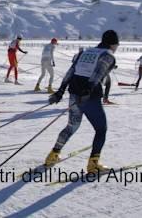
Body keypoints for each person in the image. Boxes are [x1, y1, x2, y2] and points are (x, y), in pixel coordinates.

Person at [45, 30, 119, 173]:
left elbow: (70, 72)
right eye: (116, 45)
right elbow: (98, 74)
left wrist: (60, 91)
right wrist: (88, 90)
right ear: (113, 44)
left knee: (72, 126)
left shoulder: (85, 52)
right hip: (88, 97)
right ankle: (93, 164)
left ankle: (53, 155)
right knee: (101, 129)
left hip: (74, 93)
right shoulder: (108, 55)